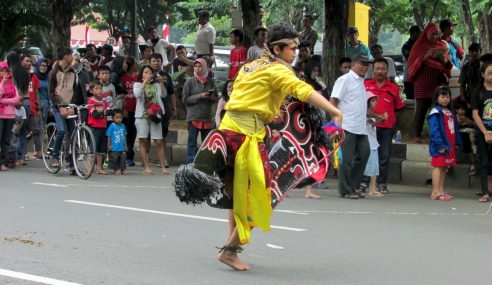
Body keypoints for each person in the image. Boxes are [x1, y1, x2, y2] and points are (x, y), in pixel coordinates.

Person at [216, 23, 342, 270]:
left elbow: (254, 100)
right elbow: (302, 90)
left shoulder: (251, 66)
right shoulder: (278, 71)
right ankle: (230, 250)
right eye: (292, 48)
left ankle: (231, 247)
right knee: (266, 195)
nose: (295, 53)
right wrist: (335, 111)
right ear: (277, 48)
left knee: (238, 194)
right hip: (245, 137)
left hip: (231, 131)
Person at [361, 58, 405, 194]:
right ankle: (363, 182)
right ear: (372, 70)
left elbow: (399, 107)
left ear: (387, 70)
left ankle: (382, 184)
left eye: (383, 69)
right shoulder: (365, 84)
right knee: (366, 154)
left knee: (384, 156)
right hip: (368, 127)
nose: (380, 71)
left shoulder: (394, 88)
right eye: (377, 68)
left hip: (386, 126)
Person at [330, 53, 370, 199]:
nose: (365, 66)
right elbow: (333, 102)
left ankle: (353, 185)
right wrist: (334, 126)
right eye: (362, 63)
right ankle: (346, 189)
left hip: (360, 126)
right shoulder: (345, 80)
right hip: (346, 125)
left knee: (365, 153)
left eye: (367, 64)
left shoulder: (361, 81)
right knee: (345, 159)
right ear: (353, 63)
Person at [407, 22, 453, 143]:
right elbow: (411, 66)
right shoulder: (418, 46)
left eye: (436, 34)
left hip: (436, 84)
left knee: (436, 111)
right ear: (426, 33)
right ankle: (417, 136)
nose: (434, 37)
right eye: (432, 34)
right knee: (420, 111)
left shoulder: (441, 45)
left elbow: (448, 65)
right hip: (422, 84)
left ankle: (436, 136)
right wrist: (425, 57)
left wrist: (441, 58)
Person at [48, 47, 84, 170]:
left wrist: (72, 106)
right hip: (56, 105)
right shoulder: (54, 72)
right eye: (71, 55)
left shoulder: (72, 73)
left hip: (69, 105)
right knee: (62, 130)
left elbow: (75, 91)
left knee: (73, 133)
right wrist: (60, 107)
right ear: (65, 56)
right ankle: (55, 156)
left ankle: (71, 163)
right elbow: (51, 93)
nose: (73, 58)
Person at [428, 86, 462, 201]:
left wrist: (456, 142)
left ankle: (440, 190)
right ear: (436, 97)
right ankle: (435, 192)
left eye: (448, 96)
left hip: (449, 145)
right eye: (442, 96)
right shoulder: (435, 112)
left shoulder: (449, 111)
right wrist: (440, 145)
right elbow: (434, 131)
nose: (445, 99)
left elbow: (454, 129)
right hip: (440, 145)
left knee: (444, 168)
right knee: (438, 166)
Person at [133, 65, 167, 175]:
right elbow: (137, 94)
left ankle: (163, 166)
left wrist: (161, 82)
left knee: (158, 141)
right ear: (141, 74)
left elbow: (163, 94)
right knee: (143, 140)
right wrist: (144, 83)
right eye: (145, 72)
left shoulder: (156, 85)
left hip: (155, 115)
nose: (148, 74)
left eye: (149, 72)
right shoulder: (137, 84)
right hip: (142, 115)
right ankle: (146, 167)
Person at [182, 58, 217, 163]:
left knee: (206, 143)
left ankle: (204, 162)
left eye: (200, 66)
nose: (197, 68)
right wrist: (200, 96)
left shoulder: (210, 82)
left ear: (205, 67)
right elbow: (185, 99)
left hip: (206, 116)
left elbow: (216, 98)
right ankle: (191, 162)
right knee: (192, 142)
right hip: (193, 116)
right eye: (196, 66)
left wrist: (210, 97)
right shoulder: (190, 82)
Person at [471, 60, 492, 203]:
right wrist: (485, 132)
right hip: (483, 131)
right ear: (483, 74)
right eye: (489, 73)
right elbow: (475, 114)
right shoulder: (478, 91)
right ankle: (485, 191)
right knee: (483, 161)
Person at [151, 53, 176, 169]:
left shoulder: (166, 76)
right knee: (146, 136)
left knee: (162, 135)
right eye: (153, 61)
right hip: (149, 110)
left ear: (162, 63)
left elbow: (171, 94)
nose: (155, 63)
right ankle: (145, 160)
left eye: (158, 61)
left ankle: (163, 159)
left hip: (164, 110)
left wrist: (174, 108)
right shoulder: (146, 75)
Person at [6, 51, 30, 165]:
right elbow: (26, 91)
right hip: (24, 103)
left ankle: (11, 157)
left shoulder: (11, 73)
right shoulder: (25, 73)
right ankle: (22, 156)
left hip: (12, 104)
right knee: (21, 132)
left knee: (10, 132)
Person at [20, 54, 42, 161]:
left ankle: (38, 151)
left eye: (30, 61)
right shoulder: (17, 75)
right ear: (21, 62)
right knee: (22, 130)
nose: (28, 63)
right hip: (22, 106)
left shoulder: (33, 76)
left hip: (33, 107)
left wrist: (38, 106)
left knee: (36, 129)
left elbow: (37, 91)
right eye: (26, 61)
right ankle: (23, 153)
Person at [0, 61, 20, 171]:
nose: (4, 73)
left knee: (6, 140)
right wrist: (2, 83)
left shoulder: (12, 83)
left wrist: (3, 100)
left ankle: (3, 162)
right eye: (1, 71)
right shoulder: (2, 83)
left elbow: (17, 99)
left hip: (10, 115)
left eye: (5, 71)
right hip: (0, 115)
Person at [363, 92, 384, 197]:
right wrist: (379, 116)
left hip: (373, 143)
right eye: (372, 100)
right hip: (368, 144)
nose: (375, 102)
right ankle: (371, 189)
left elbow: (373, 124)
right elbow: (368, 114)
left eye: (375, 100)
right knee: (371, 166)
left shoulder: (372, 115)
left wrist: (380, 119)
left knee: (374, 167)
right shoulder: (365, 114)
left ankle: (373, 188)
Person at [87, 81, 110, 175]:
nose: (99, 90)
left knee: (101, 150)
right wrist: (102, 111)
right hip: (94, 127)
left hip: (103, 127)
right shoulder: (91, 102)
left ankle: (99, 167)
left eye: (100, 88)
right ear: (92, 90)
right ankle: (89, 168)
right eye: (97, 89)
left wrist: (102, 111)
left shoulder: (103, 101)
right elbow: (95, 114)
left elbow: (110, 112)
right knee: (92, 149)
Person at [121, 56, 138, 166]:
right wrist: (123, 109)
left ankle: (131, 155)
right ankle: (128, 155)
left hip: (137, 109)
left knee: (133, 133)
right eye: (135, 63)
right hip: (127, 109)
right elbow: (121, 94)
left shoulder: (138, 77)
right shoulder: (123, 77)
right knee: (127, 133)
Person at [173, 45, 196, 120]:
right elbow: (175, 75)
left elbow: (195, 64)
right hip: (181, 83)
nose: (180, 55)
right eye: (178, 53)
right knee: (175, 94)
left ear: (186, 52)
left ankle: (190, 114)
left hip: (192, 83)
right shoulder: (176, 61)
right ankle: (186, 114)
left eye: (182, 52)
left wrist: (184, 59)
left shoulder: (192, 58)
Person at [402, 25, 421, 100]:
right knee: (411, 99)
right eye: (419, 33)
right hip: (409, 77)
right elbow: (411, 58)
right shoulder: (406, 46)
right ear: (415, 33)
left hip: (419, 77)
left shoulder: (420, 44)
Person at [106, 108, 127, 175]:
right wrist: (109, 145)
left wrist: (125, 145)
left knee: (123, 159)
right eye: (117, 117)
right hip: (114, 147)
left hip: (121, 147)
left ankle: (122, 170)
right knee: (114, 159)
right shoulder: (111, 126)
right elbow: (108, 136)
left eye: (120, 117)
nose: (119, 119)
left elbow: (124, 136)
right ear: (113, 118)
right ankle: (116, 169)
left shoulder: (123, 126)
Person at [34, 59, 50, 131]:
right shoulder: (34, 77)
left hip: (46, 104)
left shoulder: (48, 77)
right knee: (37, 125)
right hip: (37, 104)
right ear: (38, 66)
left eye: (45, 66)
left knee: (43, 125)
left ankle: (42, 141)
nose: (43, 67)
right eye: (41, 65)